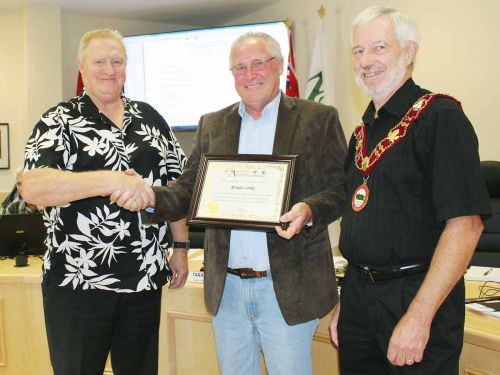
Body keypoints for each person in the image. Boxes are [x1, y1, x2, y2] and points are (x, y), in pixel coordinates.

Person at [113, 32, 347, 374]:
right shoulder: (213, 124)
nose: (248, 74)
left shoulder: (318, 118)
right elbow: (186, 189)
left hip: (288, 289)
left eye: (257, 63)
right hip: (229, 291)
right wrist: (149, 196)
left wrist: (309, 209)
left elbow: (341, 189)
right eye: (239, 67)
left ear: (279, 67)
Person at [329, 6, 492, 375]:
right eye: (358, 51)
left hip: (417, 299)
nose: (366, 61)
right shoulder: (361, 134)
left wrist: (419, 317)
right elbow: (361, 224)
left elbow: (466, 226)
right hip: (358, 298)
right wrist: (348, 300)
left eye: (379, 48)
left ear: (409, 51)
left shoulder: (440, 117)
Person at [16, 28, 189, 375]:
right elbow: (33, 187)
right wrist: (108, 179)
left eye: (117, 61)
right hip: (78, 284)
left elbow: (177, 185)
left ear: (126, 67)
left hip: (143, 280)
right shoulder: (58, 121)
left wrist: (181, 245)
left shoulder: (150, 118)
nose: (109, 70)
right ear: (81, 67)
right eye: (99, 61)